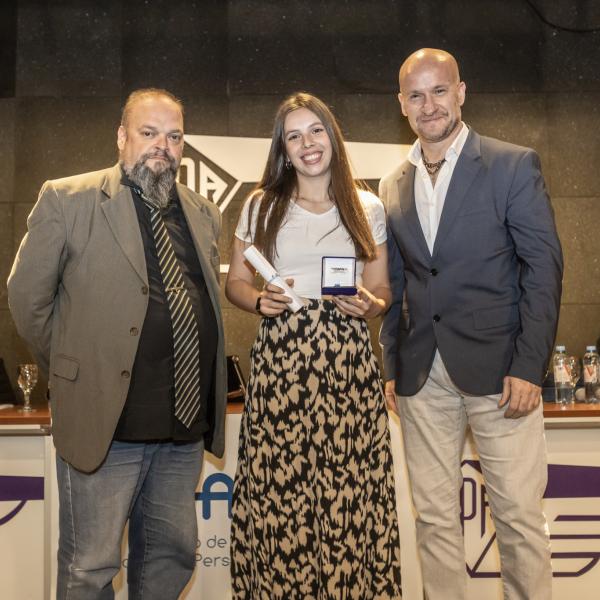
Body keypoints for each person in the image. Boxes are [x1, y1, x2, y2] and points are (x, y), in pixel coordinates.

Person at [7, 88, 227, 599]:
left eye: (174, 136)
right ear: (122, 136)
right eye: (149, 133)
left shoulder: (202, 212)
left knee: (171, 560)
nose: (162, 146)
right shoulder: (68, 199)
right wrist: (76, 372)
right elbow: (27, 300)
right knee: (90, 567)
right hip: (107, 427)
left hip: (181, 430)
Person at [380, 48, 563, 600]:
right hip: (421, 377)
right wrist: (391, 365)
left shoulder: (512, 164)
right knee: (435, 520)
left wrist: (529, 366)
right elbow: (397, 285)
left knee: (518, 518)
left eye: (439, 91)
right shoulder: (393, 182)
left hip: (502, 374)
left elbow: (543, 271)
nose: (429, 105)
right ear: (402, 104)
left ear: (461, 92)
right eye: (416, 95)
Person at [226, 92, 402, 599]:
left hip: (347, 363)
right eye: (294, 136)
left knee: (350, 497)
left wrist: (370, 304)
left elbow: (382, 289)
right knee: (281, 498)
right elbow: (235, 282)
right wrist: (259, 301)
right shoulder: (261, 204)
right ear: (283, 149)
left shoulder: (367, 207)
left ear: (333, 136)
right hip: (281, 361)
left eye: (316, 130)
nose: (308, 143)